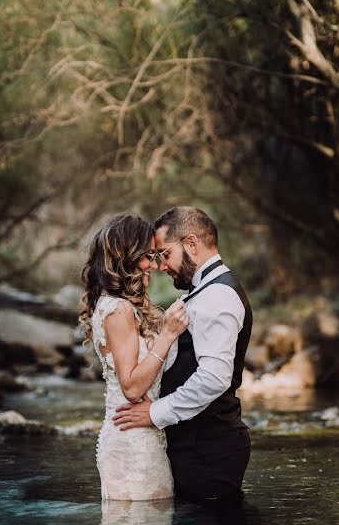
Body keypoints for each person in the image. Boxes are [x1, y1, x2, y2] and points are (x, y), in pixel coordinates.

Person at [113, 206, 253, 506]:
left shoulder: (218, 295)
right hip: (197, 446)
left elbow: (214, 379)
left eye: (164, 254)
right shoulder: (204, 291)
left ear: (191, 244)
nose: (161, 265)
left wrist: (155, 412)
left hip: (208, 451)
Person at [79, 213, 190, 501]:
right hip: (133, 444)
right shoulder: (119, 310)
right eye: (147, 256)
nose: (153, 265)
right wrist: (167, 335)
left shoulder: (113, 305)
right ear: (126, 256)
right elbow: (131, 388)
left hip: (138, 436)